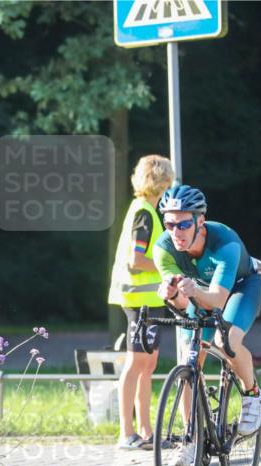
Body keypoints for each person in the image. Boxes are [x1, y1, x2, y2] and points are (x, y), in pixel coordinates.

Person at [152, 184, 261, 466]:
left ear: (200, 221)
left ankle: (252, 395)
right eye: (169, 223)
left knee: (225, 342)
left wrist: (190, 291)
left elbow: (217, 299)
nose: (176, 231)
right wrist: (171, 293)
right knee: (188, 363)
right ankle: (190, 440)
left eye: (183, 224)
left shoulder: (224, 242)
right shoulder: (162, 248)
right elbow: (181, 304)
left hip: (240, 287)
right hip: (198, 291)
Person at [107, 155, 175, 450]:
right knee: (137, 364)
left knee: (148, 364)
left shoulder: (145, 209)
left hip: (148, 300)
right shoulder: (144, 213)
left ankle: (145, 432)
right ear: (163, 180)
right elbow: (137, 260)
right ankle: (126, 433)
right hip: (139, 300)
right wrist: (168, 267)